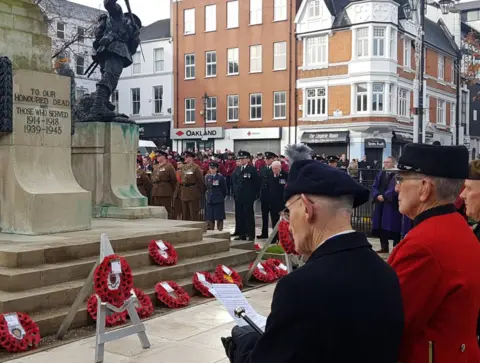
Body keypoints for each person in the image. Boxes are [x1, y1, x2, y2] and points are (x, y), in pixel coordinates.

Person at [222, 144, 404, 363]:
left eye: (289, 211)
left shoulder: (300, 286)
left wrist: (243, 347)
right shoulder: (385, 272)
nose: (288, 224)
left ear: (307, 209)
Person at [389, 143, 480, 362]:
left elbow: (390, 320)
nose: (396, 188)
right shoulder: (457, 227)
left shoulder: (423, 246)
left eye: (401, 179)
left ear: (425, 188)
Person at [89, 0, 142, 119]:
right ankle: (98, 106)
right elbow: (109, 4)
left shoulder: (130, 32)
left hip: (111, 52)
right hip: (115, 50)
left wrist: (135, 38)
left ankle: (103, 103)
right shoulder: (120, 18)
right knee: (110, 77)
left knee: (110, 78)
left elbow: (132, 50)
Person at [371, 157, 402, 253]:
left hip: (391, 203)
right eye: (384, 162)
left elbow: (395, 188)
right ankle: (384, 247)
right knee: (380, 224)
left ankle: (396, 247)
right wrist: (377, 195)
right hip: (380, 203)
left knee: (394, 225)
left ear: (393, 163)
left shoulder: (397, 174)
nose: (385, 164)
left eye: (387, 162)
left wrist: (385, 196)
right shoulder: (381, 173)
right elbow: (374, 186)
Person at [233, 151, 260, 241]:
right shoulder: (237, 169)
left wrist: (254, 195)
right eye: (240, 159)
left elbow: (257, 183)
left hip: (248, 197)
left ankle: (250, 234)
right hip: (239, 196)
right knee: (240, 216)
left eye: (243, 158)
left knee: (248, 216)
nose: (241, 160)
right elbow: (234, 182)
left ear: (248, 159)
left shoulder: (252, 169)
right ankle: (242, 234)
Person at [151, 150, 177, 218]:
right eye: (156, 156)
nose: (157, 157)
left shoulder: (169, 166)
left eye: (159, 156)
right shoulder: (156, 166)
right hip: (156, 191)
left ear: (164, 156)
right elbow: (153, 177)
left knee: (166, 210)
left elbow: (173, 179)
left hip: (165, 191)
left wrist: (170, 189)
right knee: (157, 211)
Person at [179, 151, 205, 221]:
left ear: (191, 158)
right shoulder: (183, 167)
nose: (185, 158)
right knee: (185, 213)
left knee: (193, 213)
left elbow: (200, 181)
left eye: (186, 157)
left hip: (193, 192)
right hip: (184, 192)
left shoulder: (196, 167)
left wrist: (199, 192)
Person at [268, 160, 288, 243]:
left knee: (283, 221)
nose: (274, 170)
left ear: (280, 168)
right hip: (272, 202)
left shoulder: (285, 175)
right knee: (274, 219)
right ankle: (274, 237)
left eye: (276, 168)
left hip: (282, 203)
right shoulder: (270, 175)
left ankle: (282, 238)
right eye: (273, 168)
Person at [257, 152, 276, 239]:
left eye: (269, 159)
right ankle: (264, 233)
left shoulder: (275, 168)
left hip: (272, 196)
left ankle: (275, 235)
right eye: (266, 159)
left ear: (272, 159)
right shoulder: (263, 168)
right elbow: (260, 181)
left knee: (274, 216)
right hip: (264, 195)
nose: (267, 160)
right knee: (264, 216)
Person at [205, 162, 227, 231]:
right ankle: (211, 230)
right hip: (210, 199)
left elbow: (224, 189)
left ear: (216, 169)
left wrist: (221, 197)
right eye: (210, 168)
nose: (211, 170)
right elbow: (207, 187)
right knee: (210, 217)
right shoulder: (207, 177)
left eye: (213, 168)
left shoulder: (220, 177)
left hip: (218, 199)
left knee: (219, 216)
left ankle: (220, 230)